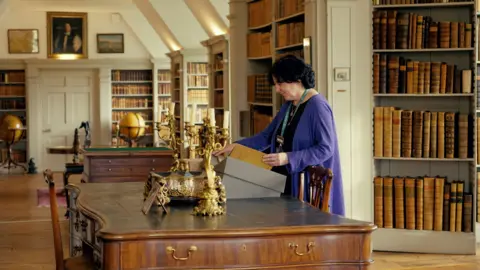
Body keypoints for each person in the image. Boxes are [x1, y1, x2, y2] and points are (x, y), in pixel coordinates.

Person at [213, 55, 345, 216]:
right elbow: (266, 137)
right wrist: (236, 146)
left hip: (306, 184)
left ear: (296, 79)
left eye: (279, 83)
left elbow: (326, 148)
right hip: (284, 178)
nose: (277, 89)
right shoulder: (289, 105)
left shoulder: (318, 106)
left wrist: (288, 158)